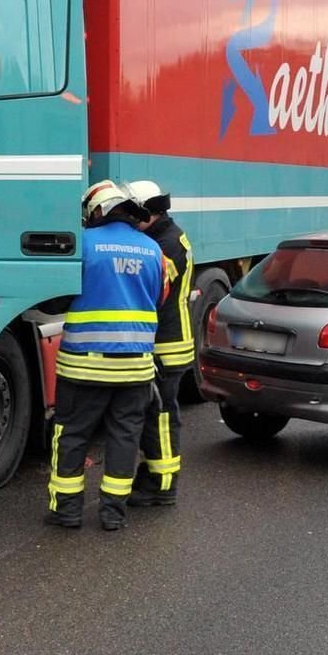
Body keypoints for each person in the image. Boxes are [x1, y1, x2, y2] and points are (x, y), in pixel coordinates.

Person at [47, 180, 165, 532]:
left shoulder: (83, 244)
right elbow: (158, 298)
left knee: (70, 435)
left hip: (83, 365)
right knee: (124, 438)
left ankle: (66, 511)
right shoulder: (153, 249)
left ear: (97, 210)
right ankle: (113, 513)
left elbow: (57, 298)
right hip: (136, 368)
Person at [126, 178, 191, 508]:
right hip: (168, 338)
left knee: (161, 416)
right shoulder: (165, 235)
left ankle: (162, 484)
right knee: (158, 414)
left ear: (146, 212)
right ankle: (155, 473)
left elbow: (150, 290)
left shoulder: (165, 245)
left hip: (166, 344)